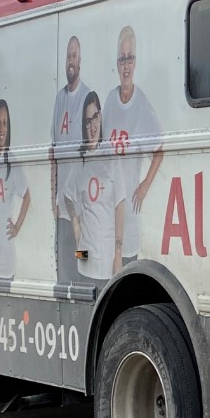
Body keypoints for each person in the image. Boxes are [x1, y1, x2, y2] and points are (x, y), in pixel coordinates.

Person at [102, 26, 163, 264]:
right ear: (116, 63)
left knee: (126, 268)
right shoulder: (109, 100)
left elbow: (158, 151)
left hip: (129, 218)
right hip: (106, 214)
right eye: (121, 59)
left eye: (130, 58)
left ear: (135, 62)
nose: (125, 66)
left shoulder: (141, 104)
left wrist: (145, 185)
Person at [61, 91, 125, 288]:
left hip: (108, 260)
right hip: (85, 257)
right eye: (87, 121)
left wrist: (118, 255)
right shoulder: (80, 164)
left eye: (95, 117)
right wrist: (76, 225)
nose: (92, 126)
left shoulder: (111, 159)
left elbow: (119, 206)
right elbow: (67, 196)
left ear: (101, 117)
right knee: (86, 307)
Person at [51, 36, 88, 286]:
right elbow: (52, 152)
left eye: (74, 56)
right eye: (68, 56)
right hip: (61, 209)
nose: (71, 61)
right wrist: (52, 195)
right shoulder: (59, 99)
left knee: (81, 261)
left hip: (81, 209)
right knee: (63, 269)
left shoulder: (87, 98)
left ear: (80, 61)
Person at [0, 100, 30, 286]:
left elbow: (27, 197)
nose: (2, 129)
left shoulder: (13, 162)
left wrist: (17, 227)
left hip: (7, 260)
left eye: (5, 123)